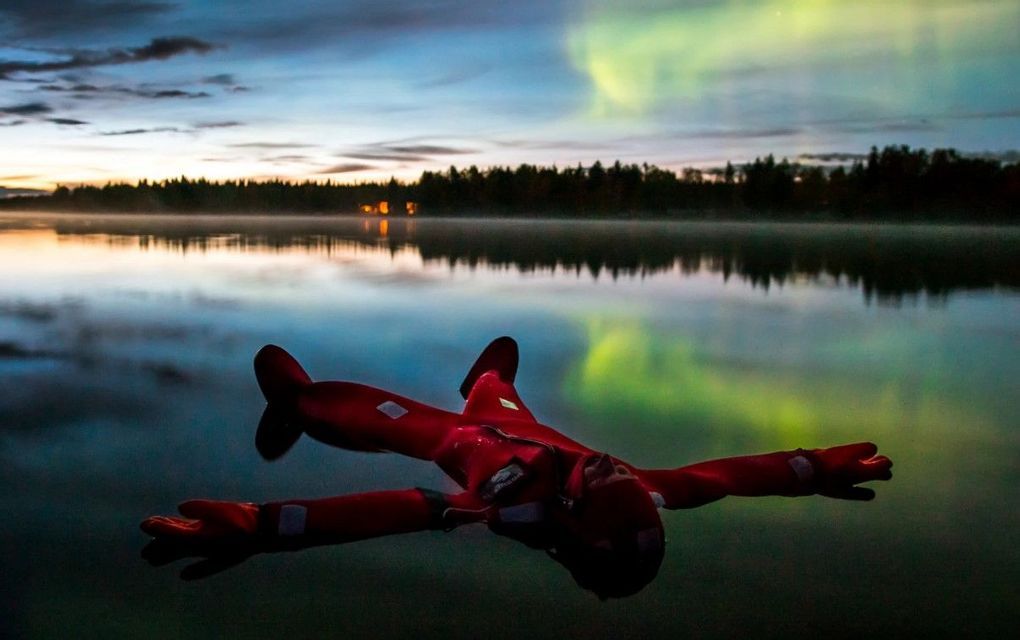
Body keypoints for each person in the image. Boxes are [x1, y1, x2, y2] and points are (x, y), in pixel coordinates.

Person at [141, 337, 893, 598]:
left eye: (607, 481)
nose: (611, 465)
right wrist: (810, 467)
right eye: (626, 477)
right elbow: (726, 478)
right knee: (499, 385)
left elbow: (394, 511)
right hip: (511, 420)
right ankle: (485, 380)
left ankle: (296, 406)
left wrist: (262, 524)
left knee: (339, 407)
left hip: (447, 436)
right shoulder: (642, 493)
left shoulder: (499, 510)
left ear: (571, 517)